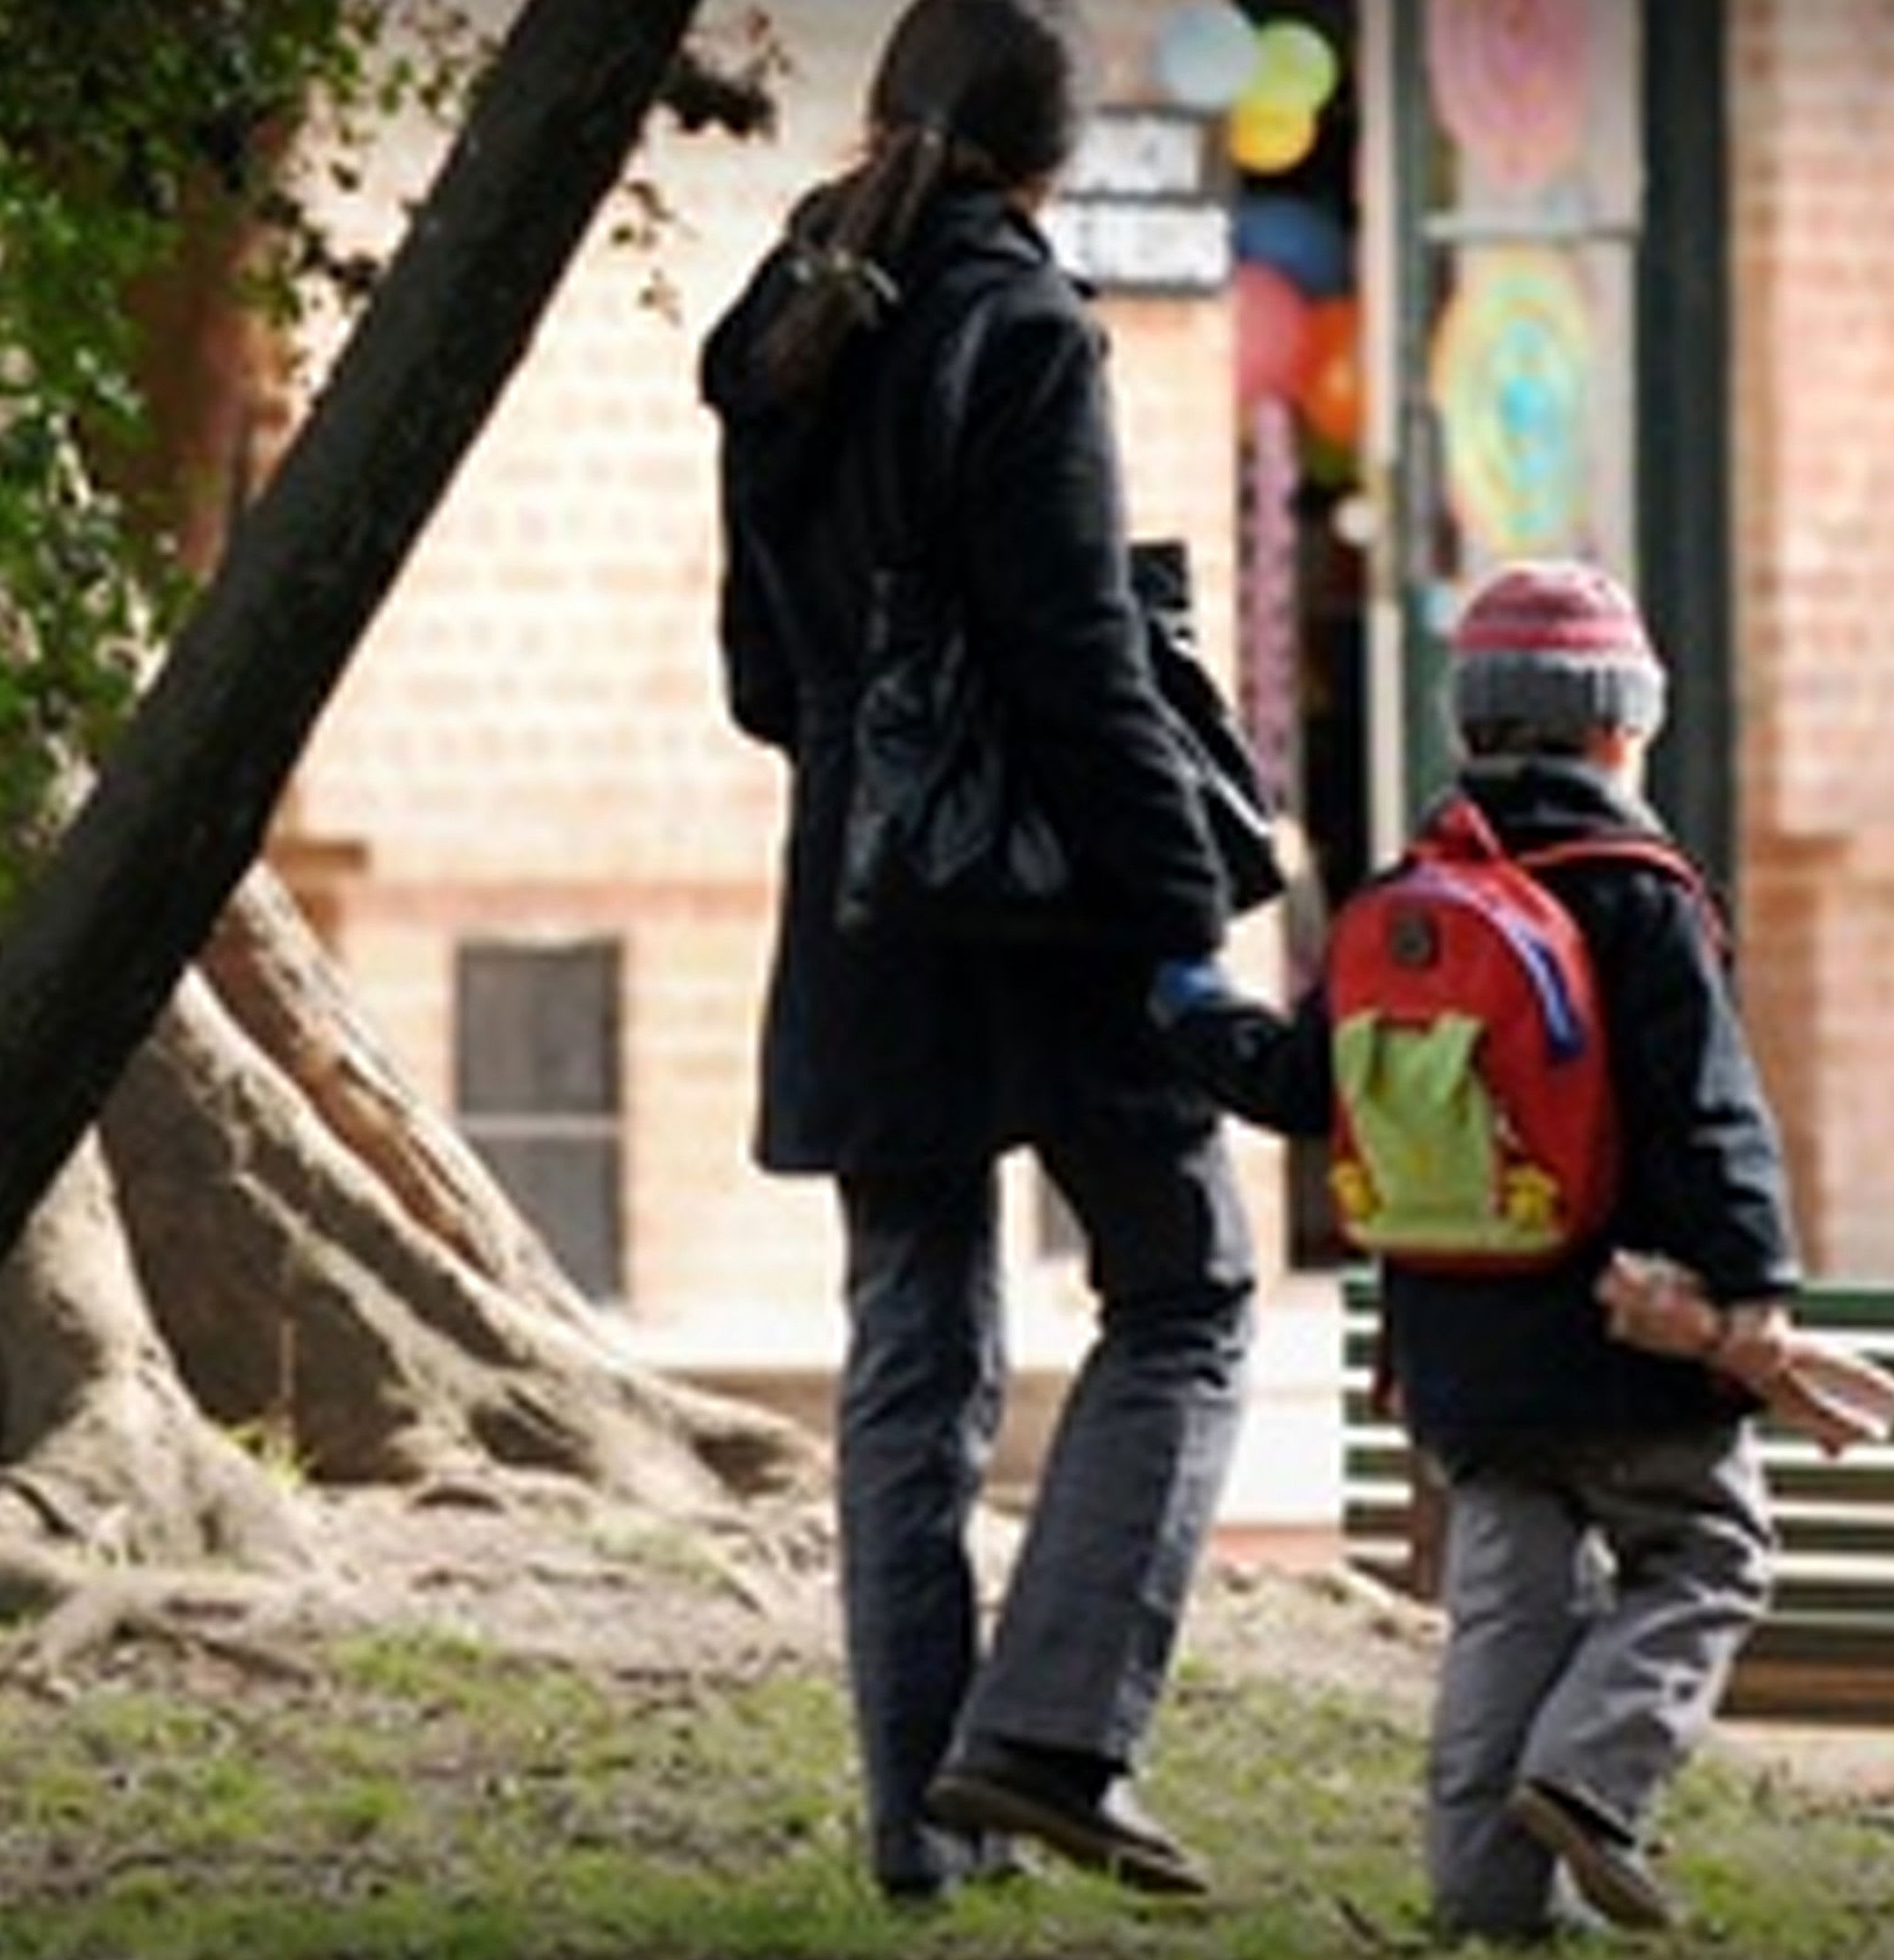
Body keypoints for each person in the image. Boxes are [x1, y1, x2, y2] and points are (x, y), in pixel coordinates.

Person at [696, 0, 1253, 1910]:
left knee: (911, 1355)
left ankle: (921, 1832)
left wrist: (875, 755)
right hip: (1048, 911)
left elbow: (760, 676)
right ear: (1056, 155)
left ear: (882, 111)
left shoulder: (787, 327)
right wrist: (1183, 916)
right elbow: (1080, 664)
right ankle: (1051, 1735)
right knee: (1188, 1289)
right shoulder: (1023, 326)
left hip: (862, 912)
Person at [1151, 559, 1808, 1938]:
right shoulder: (1641, 892)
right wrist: (1755, 1285)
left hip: (1459, 1349)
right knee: (1709, 1555)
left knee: (1507, 1610)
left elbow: (1301, 1089)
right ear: (1620, 731)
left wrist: (1195, 1009)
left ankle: (1484, 1897)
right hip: (1627, 1336)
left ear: (1472, 726)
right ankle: (1593, 1777)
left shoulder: (1407, 900)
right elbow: (1706, 1110)